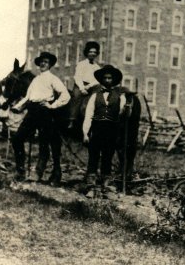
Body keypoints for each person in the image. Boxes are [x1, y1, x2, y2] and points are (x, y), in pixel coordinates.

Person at [11, 52, 70, 184]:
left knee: (44, 143)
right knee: (17, 139)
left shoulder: (53, 79)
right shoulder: (35, 80)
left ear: (50, 65)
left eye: (46, 62)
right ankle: (20, 170)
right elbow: (27, 97)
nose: (43, 64)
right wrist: (18, 107)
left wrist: (52, 105)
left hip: (44, 111)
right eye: (41, 61)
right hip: (32, 111)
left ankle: (38, 172)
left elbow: (65, 94)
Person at [82, 65, 126, 191]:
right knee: (94, 154)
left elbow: (122, 113)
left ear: (113, 80)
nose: (107, 80)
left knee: (108, 154)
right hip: (97, 127)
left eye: (110, 78)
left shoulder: (120, 96)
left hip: (111, 128)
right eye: (105, 78)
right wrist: (85, 133)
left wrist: (126, 109)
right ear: (101, 80)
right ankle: (91, 183)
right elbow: (89, 114)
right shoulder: (95, 95)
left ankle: (106, 182)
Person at [68, 41, 101, 129]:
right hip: (80, 85)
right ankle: (72, 119)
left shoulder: (97, 67)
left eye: (94, 52)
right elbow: (77, 77)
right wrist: (82, 88)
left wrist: (89, 86)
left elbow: (97, 80)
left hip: (91, 86)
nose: (92, 54)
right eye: (90, 52)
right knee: (76, 97)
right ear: (87, 53)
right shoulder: (81, 64)